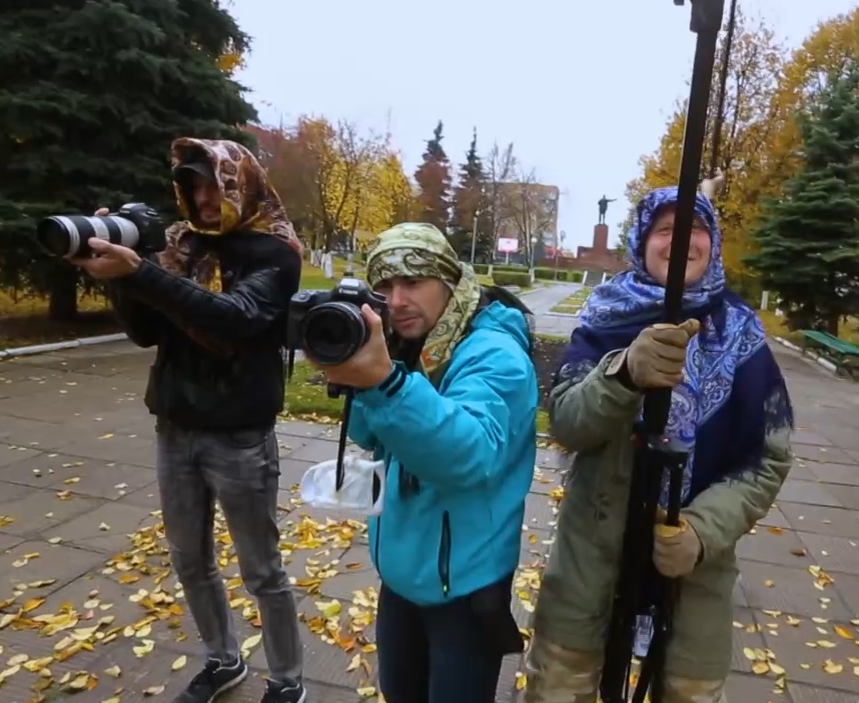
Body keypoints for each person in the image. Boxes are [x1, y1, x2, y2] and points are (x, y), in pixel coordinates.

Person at [524, 186, 794, 703]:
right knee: (560, 688)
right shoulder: (605, 319)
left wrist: (701, 530)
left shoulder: (743, 336)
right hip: (589, 571)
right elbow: (569, 424)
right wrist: (623, 375)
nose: (680, 241)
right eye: (665, 229)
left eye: (695, 228)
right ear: (642, 240)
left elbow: (768, 456)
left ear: (711, 244)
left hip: (694, 584)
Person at [71, 138, 307, 703]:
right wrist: (121, 277)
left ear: (239, 182)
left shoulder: (275, 252)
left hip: (240, 434)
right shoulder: (180, 246)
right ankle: (224, 660)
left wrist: (143, 274)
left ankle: (288, 680)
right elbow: (149, 331)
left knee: (262, 571)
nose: (203, 198)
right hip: (175, 427)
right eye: (192, 185)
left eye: (214, 184)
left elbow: (234, 318)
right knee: (189, 561)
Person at [311, 223, 538, 703]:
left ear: (449, 284)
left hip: (464, 587)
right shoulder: (413, 343)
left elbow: (469, 455)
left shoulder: (494, 354)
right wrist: (354, 374)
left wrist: (385, 384)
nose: (396, 300)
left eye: (412, 283)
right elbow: (372, 437)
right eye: (386, 286)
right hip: (403, 575)